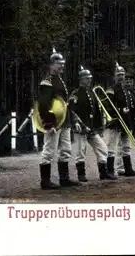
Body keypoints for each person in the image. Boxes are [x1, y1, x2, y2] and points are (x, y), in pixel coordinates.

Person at [37, 48, 80, 189]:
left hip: (64, 122)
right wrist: (49, 124)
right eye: (58, 63)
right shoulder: (47, 82)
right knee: (49, 151)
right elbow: (43, 105)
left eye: (62, 63)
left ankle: (64, 179)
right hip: (53, 123)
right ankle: (45, 182)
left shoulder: (60, 80)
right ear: (51, 65)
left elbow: (64, 104)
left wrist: (72, 120)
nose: (61, 66)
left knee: (66, 150)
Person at [69, 66, 117, 182]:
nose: (89, 80)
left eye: (90, 78)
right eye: (87, 78)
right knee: (81, 151)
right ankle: (81, 174)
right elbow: (71, 110)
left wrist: (100, 127)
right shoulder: (75, 94)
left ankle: (103, 173)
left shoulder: (92, 93)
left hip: (92, 128)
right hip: (81, 128)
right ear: (81, 80)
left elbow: (97, 111)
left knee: (103, 148)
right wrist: (76, 122)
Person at [105, 63, 135, 177]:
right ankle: (110, 171)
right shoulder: (111, 90)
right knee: (112, 147)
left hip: (127, 122)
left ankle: (128, 169)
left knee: (126, 147)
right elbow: (108, 106)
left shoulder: (127, 90)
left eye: (122, 74)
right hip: (115, 122)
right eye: (118, 74)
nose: (121, 76)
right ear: (114, 76)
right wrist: (119, 111)